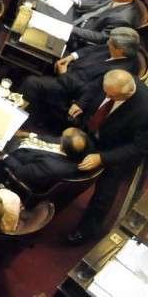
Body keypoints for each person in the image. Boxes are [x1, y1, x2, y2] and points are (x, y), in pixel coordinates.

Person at [67, 70, 148, 243]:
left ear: (127, 93)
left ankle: (85, 232)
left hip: (118, 150)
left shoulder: (145, 109)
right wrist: (81, 103)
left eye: (111, 96)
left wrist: (102, 158)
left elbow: (137, 149)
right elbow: (92, 88)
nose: (106, 96)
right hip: (94, 132)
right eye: (106, 92)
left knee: (104, 194)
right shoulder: (113, 79)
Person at [20, 27, 139, 128]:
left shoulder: (118, 72)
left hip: (70, 89)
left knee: (31, 83)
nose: (107, 43)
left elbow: (89, 90)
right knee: (44, 50)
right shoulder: (113, 47)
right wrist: (71, 57)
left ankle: (24, 121)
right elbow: (92, 49)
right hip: (72, 70)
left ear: (120, 50)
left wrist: (64, 74)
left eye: (110, 43)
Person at [69, 0, 143, 46]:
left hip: (81, 36)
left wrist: (71, 29)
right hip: (78, 19)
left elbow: (101, 38)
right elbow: (99, 4)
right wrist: (77, 2)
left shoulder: (122, 19)